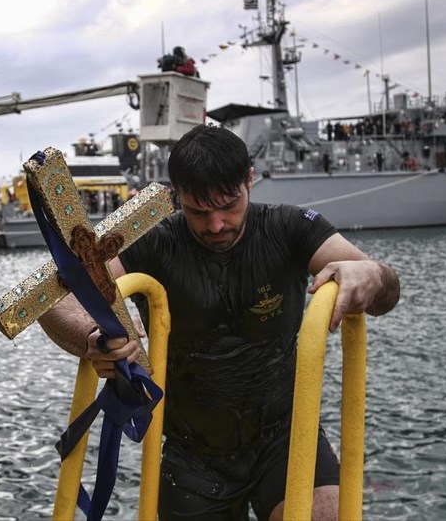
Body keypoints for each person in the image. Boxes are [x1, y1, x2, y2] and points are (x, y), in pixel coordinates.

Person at [39, 124, 400, 521]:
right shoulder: (155, 240)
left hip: (286, 437)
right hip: (191, 453)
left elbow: (384, 288)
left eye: (229, 205)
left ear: (249, 179)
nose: (216, 225)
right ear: (176, 195)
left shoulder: (292, 227)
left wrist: (372, 275)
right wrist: (92, 337)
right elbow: (56, 301)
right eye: (198, 211)